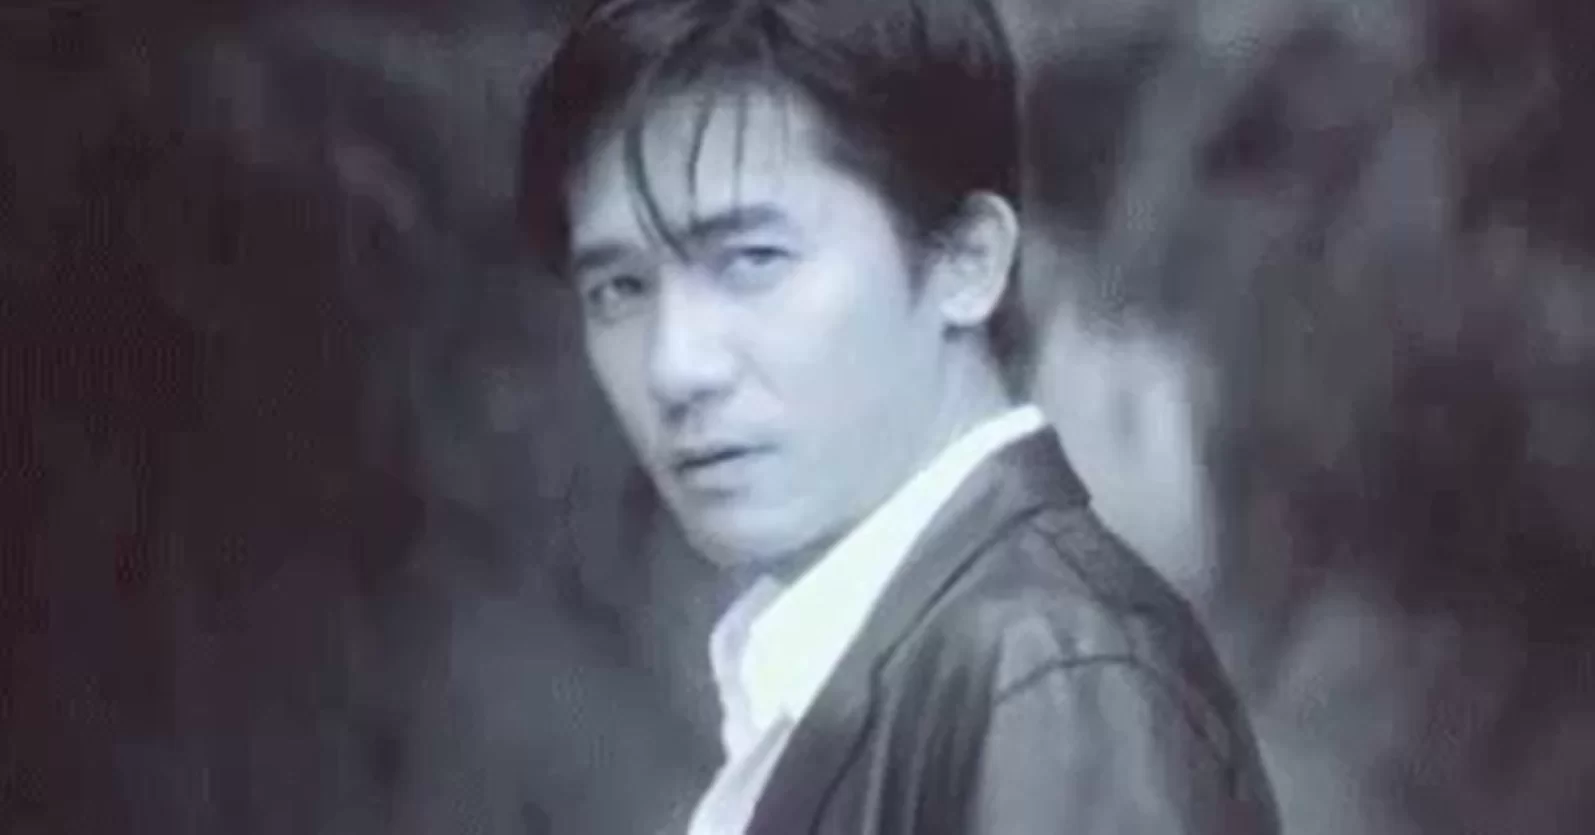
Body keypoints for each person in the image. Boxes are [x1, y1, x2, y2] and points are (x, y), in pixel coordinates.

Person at [517, 0, 1280, 832]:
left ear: (966, 260)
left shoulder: (1048, 669)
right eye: (618, 288)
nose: (674, 364)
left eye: (752, 259)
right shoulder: (905, 660)